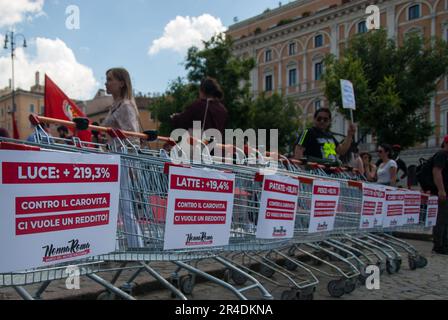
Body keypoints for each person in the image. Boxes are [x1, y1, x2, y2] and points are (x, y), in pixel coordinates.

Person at [418, 136, 448, 254]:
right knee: (442, 219)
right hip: (442, 192)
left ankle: (444, 243)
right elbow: (437, 171)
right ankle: (439, 245)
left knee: (445, 219)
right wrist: (441, 190)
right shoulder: (442, 154)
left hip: (444, 191)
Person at [102, 68, 141, 144]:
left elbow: (133, 137)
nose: (106, 83)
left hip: (122, 154)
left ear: (121, 84)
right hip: (113, 152)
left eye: (109, 80)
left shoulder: (126, 106)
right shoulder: (115, 106)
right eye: (106, 80)